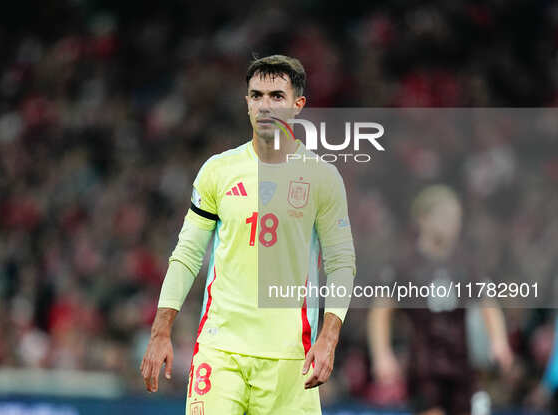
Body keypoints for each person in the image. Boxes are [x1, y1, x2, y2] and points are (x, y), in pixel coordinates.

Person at [140, 55, 356, 414]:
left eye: (276, 96)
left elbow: (342, 262)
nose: (265, 105)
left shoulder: (322, 178)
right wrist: (160, 330)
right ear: (247, 103)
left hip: (290, 360)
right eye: (256, 95)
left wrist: (329, 336)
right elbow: (188, 253)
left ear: (297, 105)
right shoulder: (218, 171)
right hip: (220, 351)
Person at [367, 185, 513, 415]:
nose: (453, 224)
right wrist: (381, 354)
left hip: (462, 366)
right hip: (425, 367)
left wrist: (499, 341)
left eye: (456, 218)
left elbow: (488, 302)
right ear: (423, 219)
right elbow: (381, 310)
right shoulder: (406, 266)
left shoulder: (466, 264)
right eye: (445, 217)